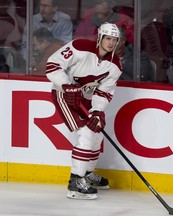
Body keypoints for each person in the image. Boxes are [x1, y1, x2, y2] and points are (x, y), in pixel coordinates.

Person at [46, 22, 122, 200]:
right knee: (87, 134)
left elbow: (104, 92)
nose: (111, 43)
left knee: (97, 134)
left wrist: (97, 111)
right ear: (100, 38)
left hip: (86, 100)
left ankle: (87, 174)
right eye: (108, 38)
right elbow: (53, 64)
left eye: (114, 40)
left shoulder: (115, 64)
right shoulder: (80, 47)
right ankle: (76, 182)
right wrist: (66, 86)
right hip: (64, 96)